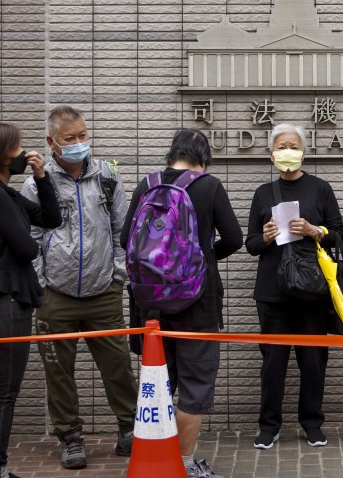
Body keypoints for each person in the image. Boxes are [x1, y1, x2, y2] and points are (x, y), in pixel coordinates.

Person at [21, 106, 138, 469]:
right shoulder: (35, 183)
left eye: (83, 135)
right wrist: (41, 286)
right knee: (58, 371)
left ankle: (129, 428)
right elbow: (32, 239)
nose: (78, 144)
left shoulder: (108, 175)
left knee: (118, 365)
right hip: (56, 295)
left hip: (105, 291)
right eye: (69, 139)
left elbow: (124, 230)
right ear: (51, 142)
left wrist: (119, 276)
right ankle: (70, 436)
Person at [121, 129, 242, 478]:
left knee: (159, 380)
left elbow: (124, 236)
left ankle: (154, 455)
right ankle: (184, 463)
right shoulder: (209, 186)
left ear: (172, 153)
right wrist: (204, 260)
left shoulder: (148, 184)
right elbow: (233, 237)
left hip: (151, 303)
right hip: (196, 301)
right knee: (196, 382)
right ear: (203, 157)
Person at [0, 122, 61, 478]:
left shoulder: (1, 192)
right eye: (19, 149)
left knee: (6, 390)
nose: (24, 153)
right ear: (4, 154)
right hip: (2, 301)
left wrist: (41, 176)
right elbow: (27, 245)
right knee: (3, 391)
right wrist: (28, 239)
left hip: (10, 300)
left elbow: (51, 218)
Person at [245, 123, 343, 450]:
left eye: (294, 145)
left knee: (313, 359)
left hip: (311, 291)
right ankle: (269, 426)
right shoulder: (263, 193)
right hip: (272, 293)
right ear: (271, 153)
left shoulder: (321, 189)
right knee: (273, 361)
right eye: (282, 146)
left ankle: (312, 423)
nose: (288, 151)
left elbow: (339, 235)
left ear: (304, 151)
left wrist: (316, 231)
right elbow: (250, 244)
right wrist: (265, 237)